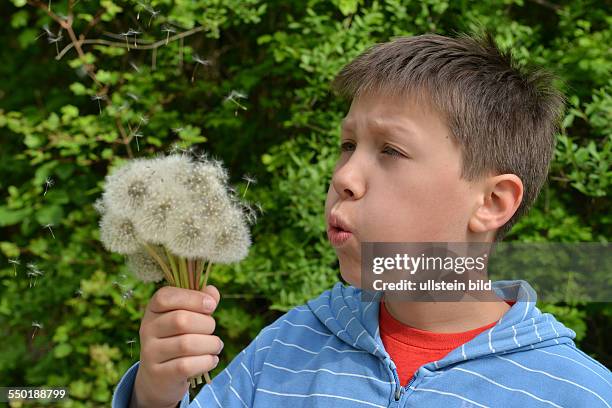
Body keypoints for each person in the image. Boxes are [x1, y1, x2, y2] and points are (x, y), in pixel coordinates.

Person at [112, 31, 612, 407]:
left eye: (390, 150)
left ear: (493, 203)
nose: (345, 175)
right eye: (347, 145)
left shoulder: (576, 392)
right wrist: (156, 393)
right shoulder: (285, 348)